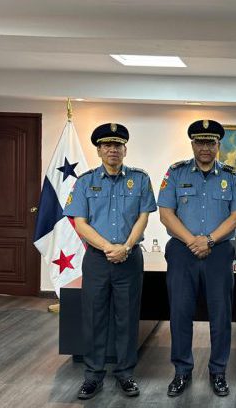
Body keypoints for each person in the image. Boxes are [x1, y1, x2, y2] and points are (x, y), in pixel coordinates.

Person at [63, 122, 156, 400]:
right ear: (99, 150)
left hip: (130, 258)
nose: (112, 149)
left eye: (117, 145)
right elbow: (80, 223)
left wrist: (125, 247)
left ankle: (125, 374)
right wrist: (108, 248)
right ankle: (93, 375)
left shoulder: (140, 179)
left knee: (127, 317)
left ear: (125, 149)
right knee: (94, 318)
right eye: (106, 145)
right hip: (97, 259)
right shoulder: (85, 181)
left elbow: (143, 217)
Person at [157, 119, 236, 397]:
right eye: (200, 141)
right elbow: (166, 214)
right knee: (180, 313)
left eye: (211, 142)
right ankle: (182, 371)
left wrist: (208, 240)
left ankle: (218, 371)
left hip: (218, 252)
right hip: (182, 251)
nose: (205, 147)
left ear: (218, 145)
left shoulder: (232, 175)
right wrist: (192, 241)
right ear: (192, 144)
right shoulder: (175, 173)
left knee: (221, 315)